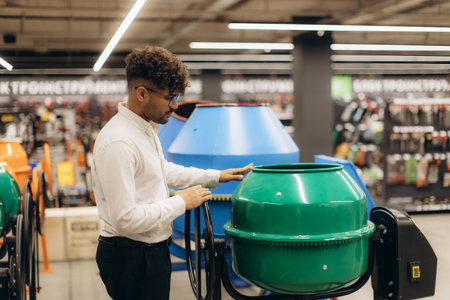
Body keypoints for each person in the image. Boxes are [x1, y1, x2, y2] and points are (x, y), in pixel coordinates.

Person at [91, 45, 252, 300]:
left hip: (150, 250)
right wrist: (180, 202)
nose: (175, 106)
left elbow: (161, 171)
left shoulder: (145, 130)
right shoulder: (119, 143)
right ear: (141, 93)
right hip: (130, 257)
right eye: (169, 98)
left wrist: (215, 176)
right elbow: (126, 219)